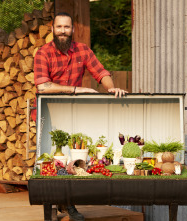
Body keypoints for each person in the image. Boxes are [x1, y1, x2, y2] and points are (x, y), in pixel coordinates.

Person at [32, 12, 127, 221]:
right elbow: (42, 86)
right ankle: (53, 206)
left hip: (73, 112)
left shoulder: (82, 50)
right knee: (50, 159)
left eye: (67, 27)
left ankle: (67, 203)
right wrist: (76, 90)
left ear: (72, 29)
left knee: (74, 157)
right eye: (59, 27)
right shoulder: (43, 53)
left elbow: (101, 73)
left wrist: (111, 89)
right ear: (52, 28)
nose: (63, 31)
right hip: (47, 112)